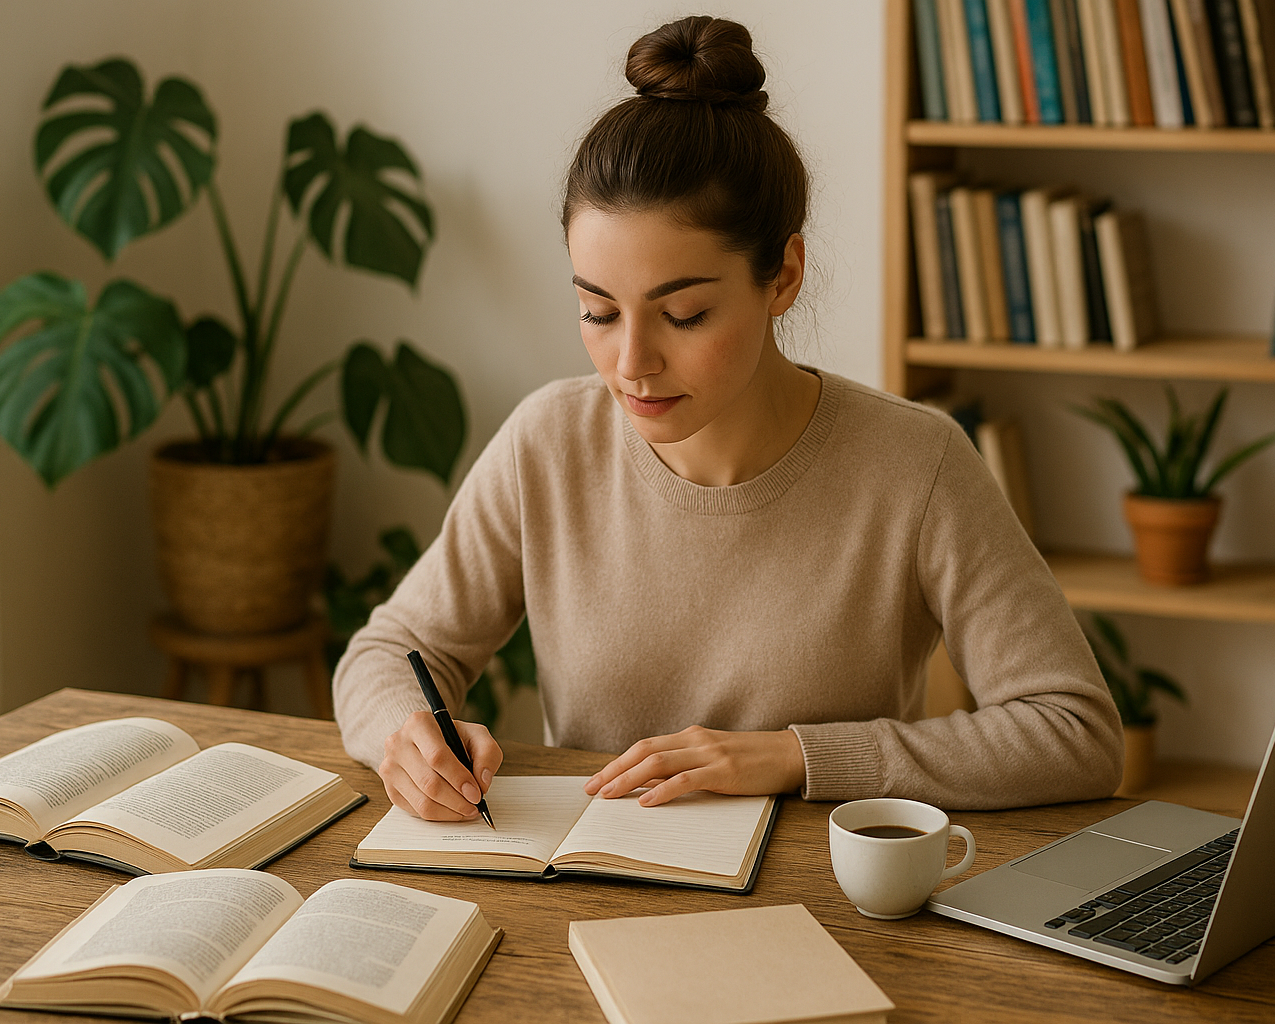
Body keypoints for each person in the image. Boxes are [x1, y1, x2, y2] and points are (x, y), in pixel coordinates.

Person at [333, 15, 1123, 821]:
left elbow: (1074, 732)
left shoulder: (915, 464)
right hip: (589, 896)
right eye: (597, 311)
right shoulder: (549, 444)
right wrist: (411, 732)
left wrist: (794, 755)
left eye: (684, 315)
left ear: (782, 275)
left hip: (827, 910)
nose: (631, 363)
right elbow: (389, 653)